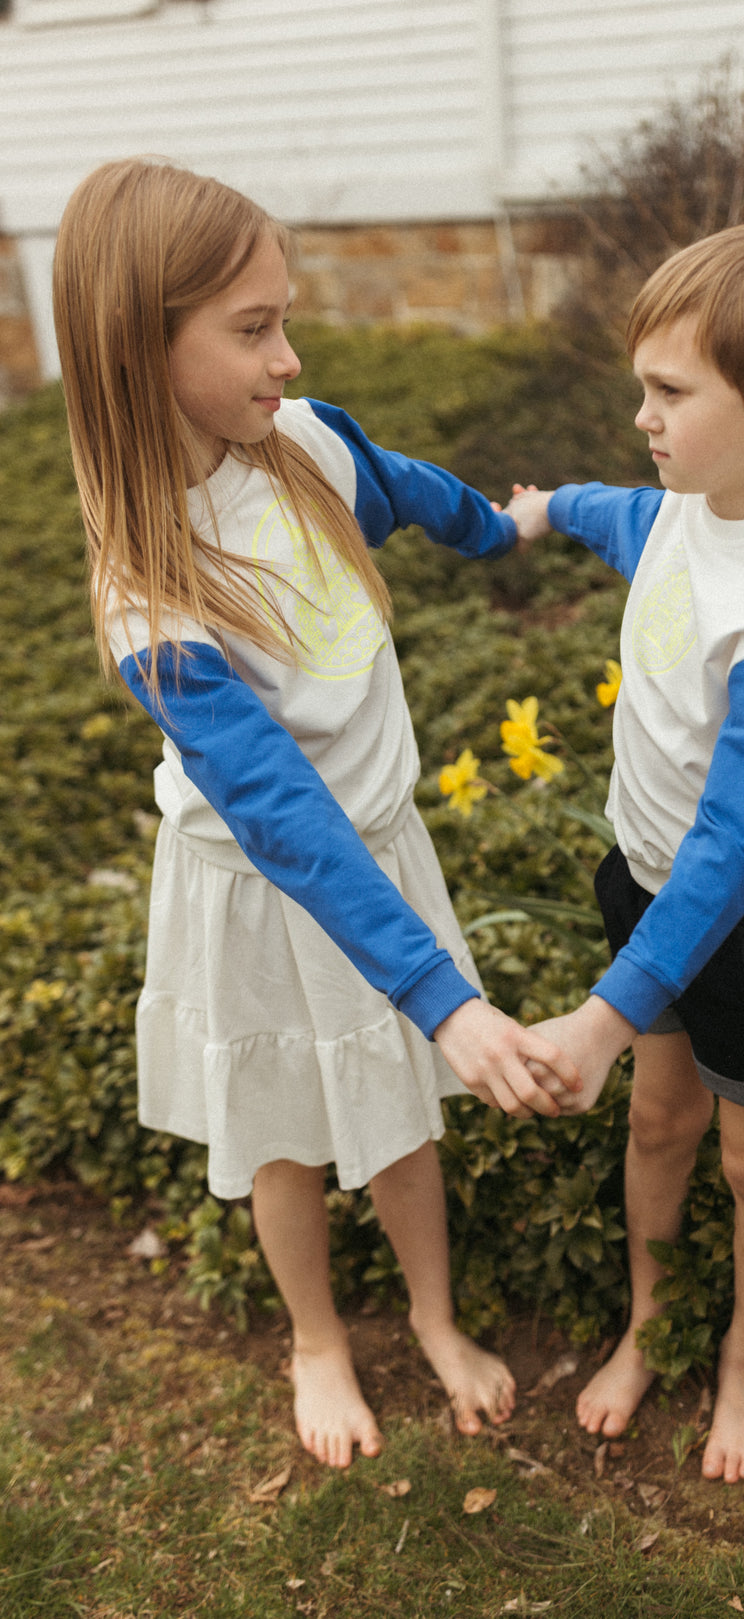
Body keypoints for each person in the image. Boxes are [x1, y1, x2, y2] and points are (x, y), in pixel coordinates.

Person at [52, 156, 579, 1470]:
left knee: (398, 1108)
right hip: (261, 885)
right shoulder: (149, 594)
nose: (287, 358)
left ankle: (436, 1316)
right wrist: (443, 992)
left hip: (380, 848)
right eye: (251, 328)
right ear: (137, 346)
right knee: (287, 1128)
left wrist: (495, 531)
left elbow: (404, 486)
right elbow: (278, 807)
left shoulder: (305, 445)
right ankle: (316, 1337)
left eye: (283, 317)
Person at [505, 221, 744, 1483]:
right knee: (660, 1122)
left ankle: (743, 1355)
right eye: (642, 387)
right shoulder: (698, 498)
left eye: (670, 393)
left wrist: (606, 1015)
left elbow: (731, 851)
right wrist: (546, 511)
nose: (643, 417)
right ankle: (649, 1326)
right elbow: (636, 522)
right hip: (644, 873)